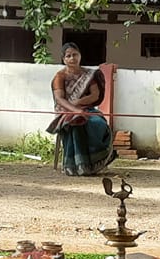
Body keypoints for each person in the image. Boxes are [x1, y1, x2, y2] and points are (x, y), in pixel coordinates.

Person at [47, 43, 116, 176]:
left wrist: (79, 103)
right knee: (77, 122)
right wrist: (75, 110)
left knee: (99, 123)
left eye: (75, 54)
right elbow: (60, 99)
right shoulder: (59, 77)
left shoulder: (89, 74)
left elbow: (94, 95)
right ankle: (79, 165)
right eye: (68, 56)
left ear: (80, 56)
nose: (72, 58)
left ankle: (98, 161)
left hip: (87, 109)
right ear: (64, 59)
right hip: (66, 111)